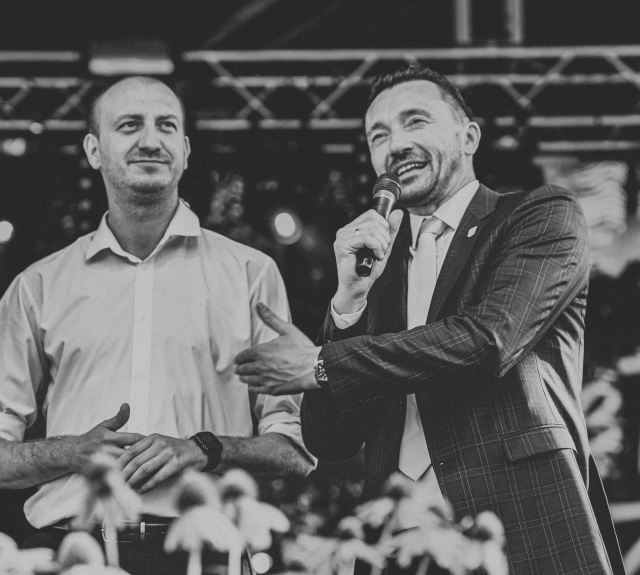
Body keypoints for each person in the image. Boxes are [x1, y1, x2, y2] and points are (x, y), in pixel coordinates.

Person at [234, 66, 625, 575]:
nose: (395, 144)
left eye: (415, 121)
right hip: (398, 540)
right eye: (378, 136)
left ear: (469, 137)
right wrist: (347, 303)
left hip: (520, 523)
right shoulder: (376, 262)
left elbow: (487, 341)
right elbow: (331, 440)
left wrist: (320, 362)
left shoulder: (537, 215)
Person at [0, 76, 314, 572]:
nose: (151, 140)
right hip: (75, 550)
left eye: (166, 126)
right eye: (129, 125)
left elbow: (292, 451)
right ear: (94, 150)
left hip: (208, 551)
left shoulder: (251, 273)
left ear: (185, 151)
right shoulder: (37, 286)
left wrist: (205, 449)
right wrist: (72, 452)